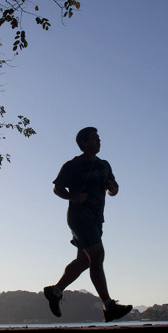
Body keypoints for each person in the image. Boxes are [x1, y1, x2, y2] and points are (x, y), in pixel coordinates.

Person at [44, 127, 132, 322]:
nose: (98, 141)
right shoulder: (73, 165)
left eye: (98, 138)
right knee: (97, 255)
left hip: (96, 218)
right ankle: (108, 305)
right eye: (94, 138)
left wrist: (112, 188)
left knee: (84, 261)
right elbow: (57, 188)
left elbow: (114, 189)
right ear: (83, 143)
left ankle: (55, 292)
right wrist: (73, 197)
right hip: (80, 217)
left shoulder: (104, 165)